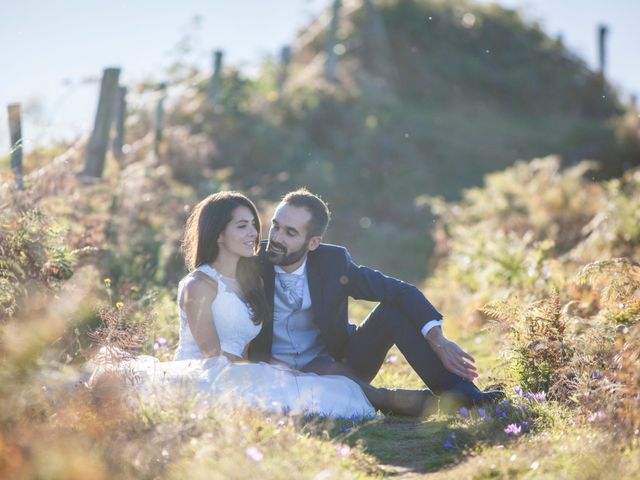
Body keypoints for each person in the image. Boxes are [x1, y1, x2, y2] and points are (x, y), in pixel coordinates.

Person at [92, 191, 375, 418]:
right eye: (242, 226)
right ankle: (401, 401)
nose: (254, 233)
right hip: (205, 374)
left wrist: (275, 366)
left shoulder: (250, 283)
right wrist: (271, 368)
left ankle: (406, 401)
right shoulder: (198, 285)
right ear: (218, 234)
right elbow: (211, 355)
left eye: (254, 224)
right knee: (297, 391)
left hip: (240, 371)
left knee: (326, 388)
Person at [249, 188, 503, 409]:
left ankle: (461, 392)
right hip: (271, 372)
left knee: (392, 310)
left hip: (340, 365)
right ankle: (428, 404)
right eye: (276, 226)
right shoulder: (249, 263)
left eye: (290, 233)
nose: (277, 238)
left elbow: (401, 291)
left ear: (313, 242)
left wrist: (439, 340)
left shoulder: (333, 262)